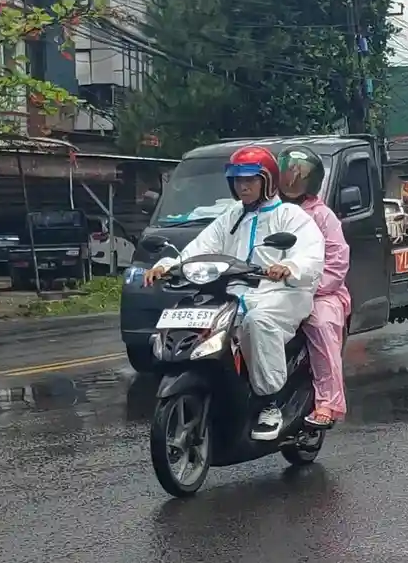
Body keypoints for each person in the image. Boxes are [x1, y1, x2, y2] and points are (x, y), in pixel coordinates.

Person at [143, 146, 326, 441]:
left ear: (267, 181)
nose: (243, 186)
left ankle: (270, 404)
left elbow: (311, 253)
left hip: (280, 292)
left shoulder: (290, 215)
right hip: (235, 291)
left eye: (250, 179)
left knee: (257, 322)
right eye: (238, 180)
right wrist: (168, 265)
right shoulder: (231, 216)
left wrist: (289, 266)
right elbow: (201, 247)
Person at [276, 146, 351, 429]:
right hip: (270, 288)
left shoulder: (322, 216)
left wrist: (307, 287)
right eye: (289, 173)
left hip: (320, 292)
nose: (292, 180)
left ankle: (328, 403)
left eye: (300, 175)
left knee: (321, 325)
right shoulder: (270, 210)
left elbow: (336, 262)